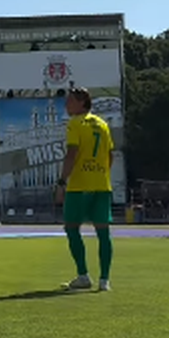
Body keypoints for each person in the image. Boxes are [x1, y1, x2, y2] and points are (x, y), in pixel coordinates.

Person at [55, 87, 114, 292]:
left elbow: (72, 153)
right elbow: (110, 155)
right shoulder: (103, 124)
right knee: (103, 232)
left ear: (82, 102)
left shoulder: (75, 123)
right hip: (101, 184)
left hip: (79, 185)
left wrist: (62, 182)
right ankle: (104, 280)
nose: (66, 104)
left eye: (70, 101)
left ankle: (83, 275)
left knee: (71, 228)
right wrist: (101, 173)